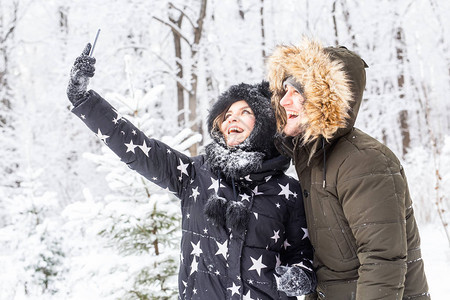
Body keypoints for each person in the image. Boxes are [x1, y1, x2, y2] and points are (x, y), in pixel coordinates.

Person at [66, 43, 317, 299]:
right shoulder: (195, 174)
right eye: (227, 114)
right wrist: (83, 100)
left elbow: (302, 256)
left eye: (245, 112)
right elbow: (139, 149)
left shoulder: (288, 192)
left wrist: (300, 275)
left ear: (264, 123)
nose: (232, 118)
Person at [266, 37, 430, 300]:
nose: (285, 101)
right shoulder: (313, 158)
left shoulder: (364, 161)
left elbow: (382, 261)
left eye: (296, 92)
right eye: (284, 91)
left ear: (324, 100)